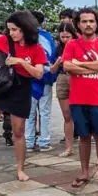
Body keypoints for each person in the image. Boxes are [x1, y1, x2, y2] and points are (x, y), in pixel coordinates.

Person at [0, 11, 47, 183]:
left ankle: (20, 168)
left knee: (18, 131)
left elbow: (38, 73)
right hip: (0, 85)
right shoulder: (4, 40)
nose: (12, 33)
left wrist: (21, 62)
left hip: (20, 88)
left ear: (25, 28)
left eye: (15, 29)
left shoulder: (36, 48)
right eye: (9, 29)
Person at [62, 8, 98, 189]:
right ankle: (84, 172)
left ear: (97, 24)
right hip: (78, 99)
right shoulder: (72, 45)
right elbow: (67, 66)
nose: (88, 24)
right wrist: (94, 67)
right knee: (83, 137)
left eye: (91, 21)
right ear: (78, 24)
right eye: (84, 21)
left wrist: (79, 64)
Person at [24, 11, 58, 153]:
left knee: (29, 113)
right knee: (44, 112)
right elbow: (52, 57)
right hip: (45, 77)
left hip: (29, 78)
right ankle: (44, 142)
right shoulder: (47, 37)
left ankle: (29, 142)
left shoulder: (25, 37)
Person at [52, 22, 77, 157]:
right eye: (63, 37)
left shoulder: (79, 46)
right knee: (67, 115)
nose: (65, 39)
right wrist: (58, 62)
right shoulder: (58, 48)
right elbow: (51, 69)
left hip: (76, 78)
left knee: (81, 113)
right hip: (62, 78)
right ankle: (69, 147)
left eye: (68, 37)